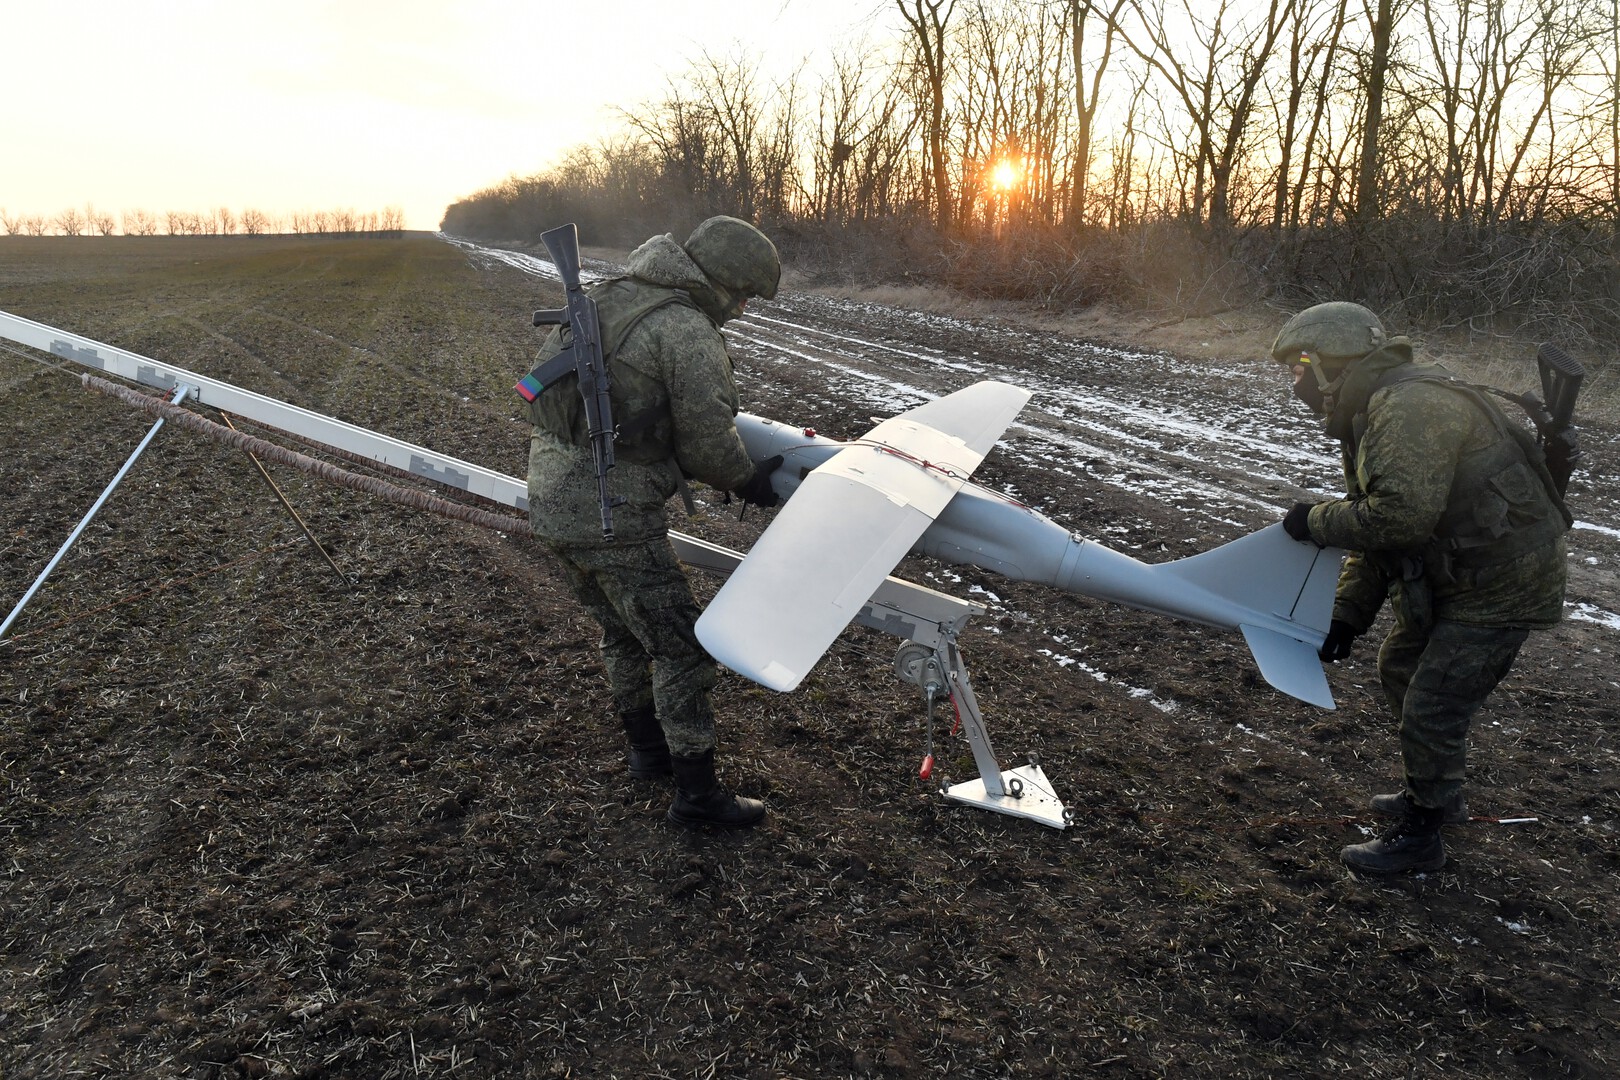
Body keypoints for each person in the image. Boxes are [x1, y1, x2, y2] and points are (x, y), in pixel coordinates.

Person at [1271, 301, 1571, 873]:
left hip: (1503, 579)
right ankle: (1437, 791)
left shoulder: (1407, 406)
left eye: (1297, 369)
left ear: (1329, 364)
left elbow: (1397, 519)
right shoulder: (1373, 407)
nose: (1295, 385)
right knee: (1401, 669)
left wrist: (1313, 521)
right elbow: (1386, 528)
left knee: (1432, 703)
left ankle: (1421, 836)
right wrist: (1348, 616)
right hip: (1463, 569)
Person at [525, 215, 784, 829]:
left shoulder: (609, 296)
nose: (744, 308)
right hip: (613, 518)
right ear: (720, 284)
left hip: (552, 499)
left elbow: (548, 402)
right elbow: (707, 448)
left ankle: (648, 753)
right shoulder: (684, 329)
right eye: (744, 295)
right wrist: (752, 481)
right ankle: (697, 797)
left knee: (622, 633)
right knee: (682, 650)